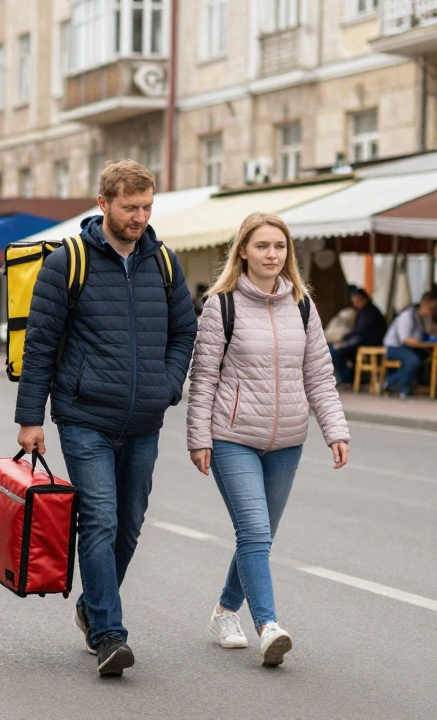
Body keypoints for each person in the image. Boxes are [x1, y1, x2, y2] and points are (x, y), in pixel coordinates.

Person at [15, 160, 197, 677]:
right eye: (130, 207)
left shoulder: (162, 262)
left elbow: (185, 330)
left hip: (143, 419)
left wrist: (168, 385)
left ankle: (92, 605)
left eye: (147, 207)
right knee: (100, 518)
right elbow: (41, 344)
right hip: (85, 416)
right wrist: (31, 418)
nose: (140, 217)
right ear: (103, 205)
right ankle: (110, 635)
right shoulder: (67, 262)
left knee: (131, 525)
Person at [187, 212, 349, 666]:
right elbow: (203, 378)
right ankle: (268, 626)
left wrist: (333, 428)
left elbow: (319, 374)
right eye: (262, 246)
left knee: (259, 536)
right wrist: (199, 436)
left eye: (279, 247)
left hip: (288, 440)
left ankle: (223, 612)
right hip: (232, 436)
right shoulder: (222, 305)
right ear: (243, 250)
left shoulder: (302, 304)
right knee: (255, 530)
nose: (271, 254)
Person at [382, 291, 436, 398]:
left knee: (425, 356)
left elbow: (430, 332)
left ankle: (390, 382)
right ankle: (403, 389)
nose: (433, 310)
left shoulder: (425, 319)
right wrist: (424, 343)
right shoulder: (407, 315)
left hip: (410, 348)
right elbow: (405, 339)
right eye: (432, 308)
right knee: (413, 360)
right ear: (424, 304)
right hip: (394, 347)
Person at [328, 288, 386, 383]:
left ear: (364, 299)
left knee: (335, 352)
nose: (355, 304)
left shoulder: (370, 312)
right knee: (333, 350)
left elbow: (361, 333)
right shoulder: (364, 312)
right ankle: (349, 377)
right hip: (361, 341)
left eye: (357, 301)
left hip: (368, 344)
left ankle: (348, 379)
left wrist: (345, 343)